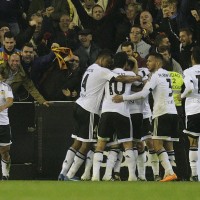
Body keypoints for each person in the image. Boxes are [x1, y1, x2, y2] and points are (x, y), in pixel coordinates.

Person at [58, 50, 141, 181]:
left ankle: (64, 173)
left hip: (79, 105)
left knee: (77, 142)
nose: (109, 64)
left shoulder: (90, 68)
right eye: (108, 61)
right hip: (90, 109)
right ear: (102, 58)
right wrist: (136, 77)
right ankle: (69, 174)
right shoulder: (103, 71)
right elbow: (120, 79)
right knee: (87, 144)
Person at [113, 52, 179, 182]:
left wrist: (123, 97)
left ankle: (170, 172)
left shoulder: (155, 76)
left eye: (150, 61)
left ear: (158, 62)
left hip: (162, 112)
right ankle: (169, 172)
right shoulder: (167, 74)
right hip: (173, 112)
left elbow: (143, 94)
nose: (147, 63)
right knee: (167, 144)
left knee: (157, 144)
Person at [92, 52, 138, 181]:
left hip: (106, 111)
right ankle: (132, 176)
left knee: (101, 144)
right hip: (122, 112)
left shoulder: (106, 74)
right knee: (128, 144)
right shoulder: (130, 74)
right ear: (125, 63)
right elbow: (139, 86)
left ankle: (95, 176)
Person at [181, 46, 200, 182]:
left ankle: (194, 174)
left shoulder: (188, 71)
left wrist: (180, 96)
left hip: (193, 108)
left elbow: (189, 88)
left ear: (192, 58)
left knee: (193, 141)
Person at [0, 67, 13, 180]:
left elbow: (10, 101)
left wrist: (2, 107)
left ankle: (5, 175)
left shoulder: (5, 87)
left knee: (5, 150)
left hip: (3, 124)